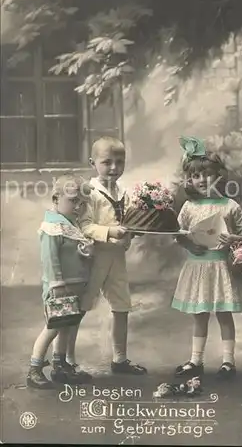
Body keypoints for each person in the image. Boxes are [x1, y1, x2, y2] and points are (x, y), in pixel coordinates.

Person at [172, 136, 242, 379]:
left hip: (221, 266)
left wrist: (234, 240)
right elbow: (178, 233)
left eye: (207, 174)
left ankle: (228, 361)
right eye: (196, 176)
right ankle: (196, 360)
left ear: (218, 175)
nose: (202, 180)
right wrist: (188, 244)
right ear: (190, 180)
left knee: (224, 314)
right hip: (198, 266)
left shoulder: (229, 205)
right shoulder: (189, 207)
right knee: (200, 315)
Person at [79, 136, 147, 374]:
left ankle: (120, 359)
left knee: (121, 307)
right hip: (93, 257)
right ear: (92, 163)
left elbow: (128, 221)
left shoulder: (123, 192)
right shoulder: (89, 192)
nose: (114, 168)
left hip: (116, 258)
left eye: (120, 161)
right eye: (107, 162)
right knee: (79, 307)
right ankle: (63, 360)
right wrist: (110, 232)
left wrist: (134, 231)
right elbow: (84, 226)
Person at [27, 174, 94, 389]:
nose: (77, 207)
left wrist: (84, 251)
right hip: (60, 287)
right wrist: (56, 284)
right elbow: (50, 259)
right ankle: (34, 368)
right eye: (73, 201)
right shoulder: (51, 226)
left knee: (68, 326)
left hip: (75, 285)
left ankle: (60, 365)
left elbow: (73, 252)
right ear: (56, 199)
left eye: (81, 203)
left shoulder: (71, 225)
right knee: (53, 327)